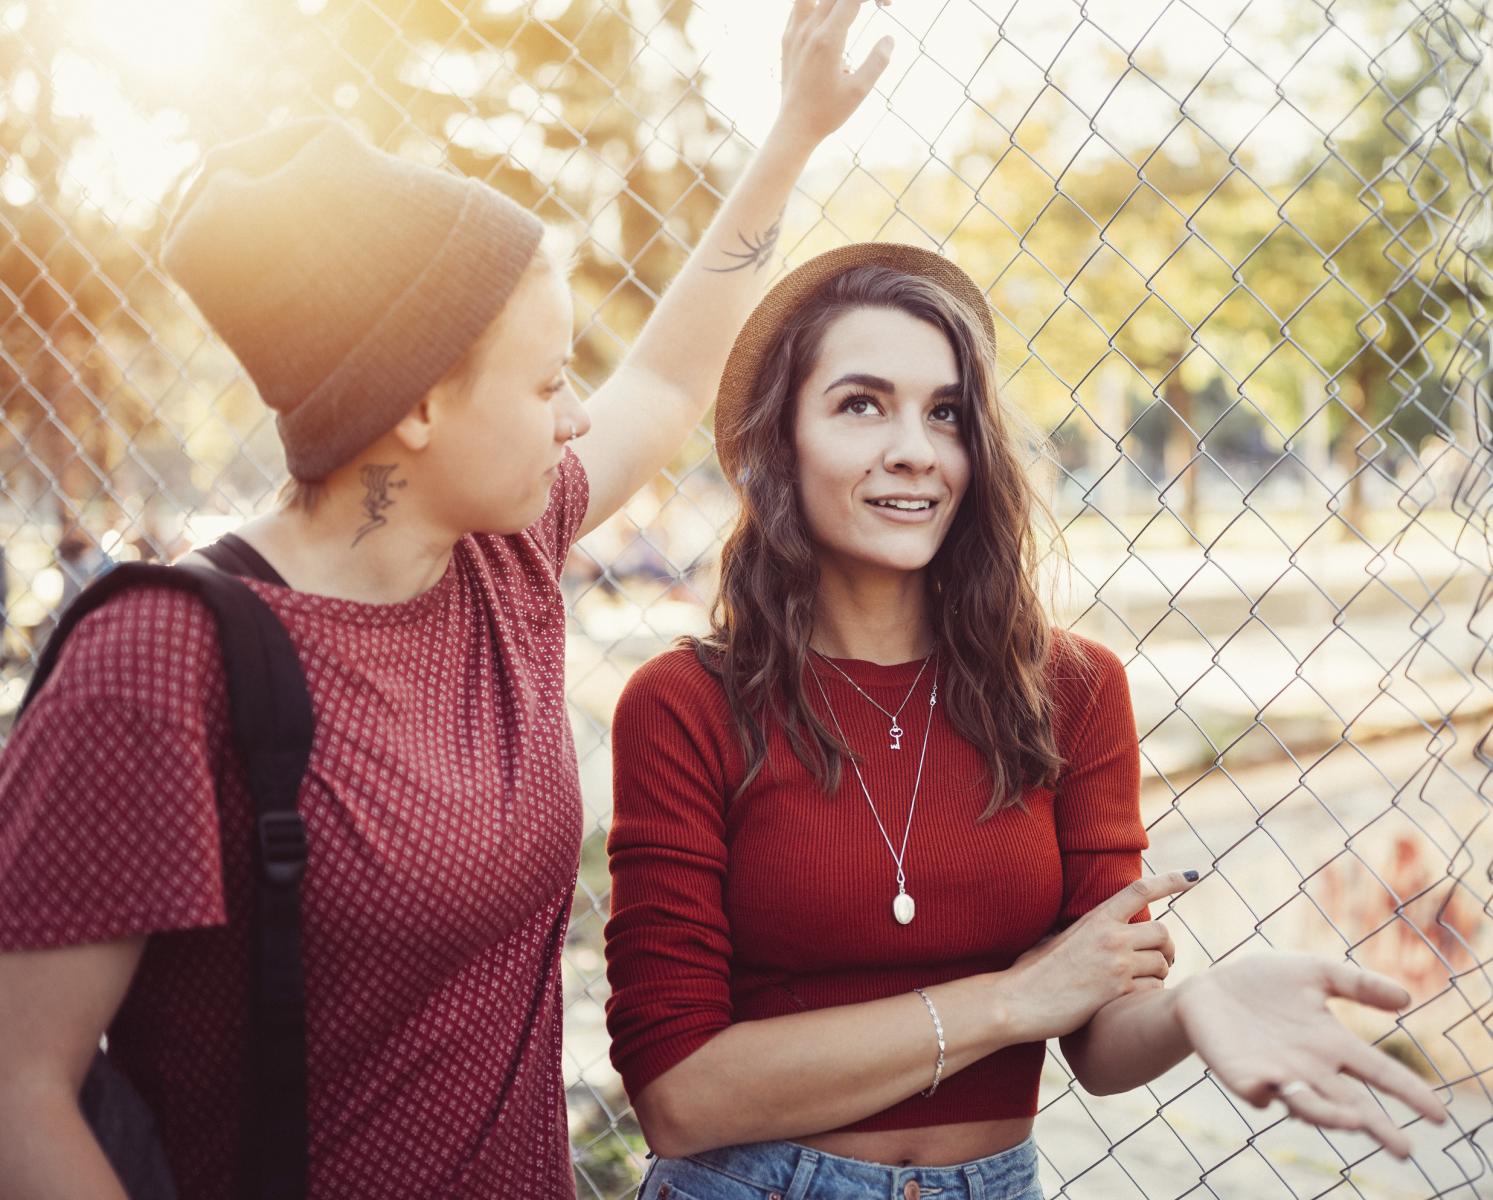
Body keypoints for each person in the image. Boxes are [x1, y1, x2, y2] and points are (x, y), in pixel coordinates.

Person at [0, 3, 896, 1195]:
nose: (577, 412)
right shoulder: (160, 663)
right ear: (415, 404)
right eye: (545, 378)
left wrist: (790, 136)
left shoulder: (502, 552)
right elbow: (21, 1088)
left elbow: (670, 379)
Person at [603, 244, 1449, 1199]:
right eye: (859, 404)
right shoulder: (687, 705)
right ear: (776, 442)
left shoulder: (1072, 688)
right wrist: (1011, 1002)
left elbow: (1101, 1038)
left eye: (946, 413)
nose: (914, 449)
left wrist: (1195, 1005)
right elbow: (679, 1095)